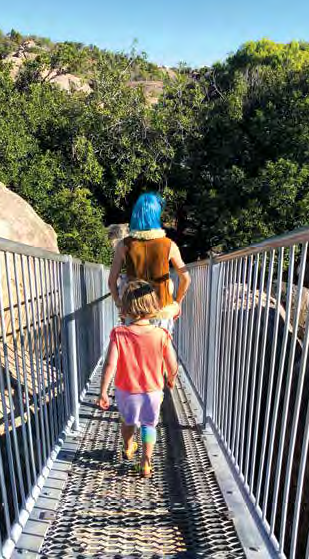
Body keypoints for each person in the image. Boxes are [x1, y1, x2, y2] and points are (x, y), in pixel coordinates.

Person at [98, 280, 178, 478]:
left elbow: (110, 365)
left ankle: (128, 447)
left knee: (128, 421)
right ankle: (145, 463)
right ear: (153, 306)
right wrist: (171, 379)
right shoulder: (161, 334)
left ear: (125, 308)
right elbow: (172, 364)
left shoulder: (119, 334)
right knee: (149, 425)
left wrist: (103, 391)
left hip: (126, 392)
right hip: (153, 392)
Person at [108, 193, 191, 331]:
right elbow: (186, 279)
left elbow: (111, 282)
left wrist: (120, 305)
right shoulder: (169, 245)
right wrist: (177, 303)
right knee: (161, 344)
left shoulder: (124, 245)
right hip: (161, 311)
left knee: (134, 345)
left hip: (134, 312)